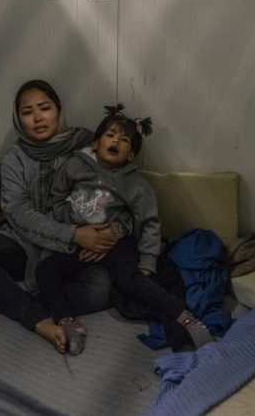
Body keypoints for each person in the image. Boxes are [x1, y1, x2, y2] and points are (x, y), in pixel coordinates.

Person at [0, 80, 122, 354]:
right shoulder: (15, 159)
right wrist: (72, 234)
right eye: (27, 112)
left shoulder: (87, 145)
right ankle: (38, 320)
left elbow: (117, 190)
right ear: (18, 119)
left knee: (101, 288)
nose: (37, 118)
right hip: (26, 243)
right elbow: (18, 213)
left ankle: (6, 301)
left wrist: (108, 233)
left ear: (58, 110)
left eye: (44, 108)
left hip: (73, 252)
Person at [36, 104, 214, 355]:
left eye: (124, 140)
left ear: (131, 155)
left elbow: (149, 223)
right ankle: (67, 321)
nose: (116, 141)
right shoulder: (74, 167)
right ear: (95, 143)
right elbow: (56, 199)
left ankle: (184, 317)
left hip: (116, 243)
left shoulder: (136, 185)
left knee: (131, 280)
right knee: (45, 269)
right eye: (110, 135)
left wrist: (147, 262)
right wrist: (73, 228)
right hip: (79, 240)